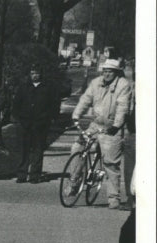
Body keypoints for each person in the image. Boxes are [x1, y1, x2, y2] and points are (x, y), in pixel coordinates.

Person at [71, 58, 133, 210]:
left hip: (112, 127)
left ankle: (113, 198)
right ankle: (74, 182)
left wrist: (117, 125)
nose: (106, 74)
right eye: (104, 71)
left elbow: (122, 107)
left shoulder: (123, 85)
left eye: (110, 71)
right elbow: (85, 99)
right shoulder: (96, 82)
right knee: (77, 148)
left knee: (111, 163)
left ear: (117, 73)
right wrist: (76, 114)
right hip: (95, 124)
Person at [11, 64, 56, 184]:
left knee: (38, 150)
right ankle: (22, 174)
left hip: (40, 124)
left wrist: (49, 118)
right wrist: (17, 118)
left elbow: (53, 105)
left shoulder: (47, 88)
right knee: (24, 150)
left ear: (41, 74)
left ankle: (34, 175)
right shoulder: (24, 87)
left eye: (36, 73)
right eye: (32, 73)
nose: (34, 76)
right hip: (25, 123)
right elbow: (16, 104)